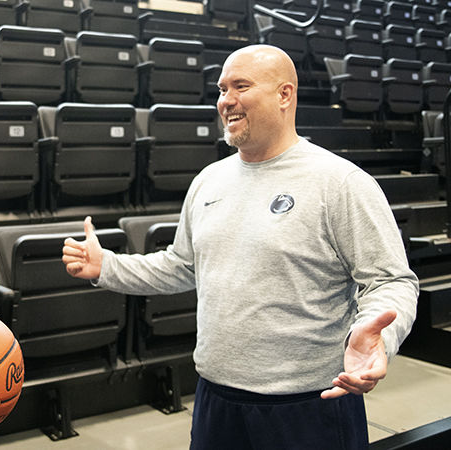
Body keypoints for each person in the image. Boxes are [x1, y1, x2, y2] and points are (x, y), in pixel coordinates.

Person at [62, 44, 418, 449]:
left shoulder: (340, 183)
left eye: (240, 87)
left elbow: (392, 281)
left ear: (285, 95)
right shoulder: (208, 181)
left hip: (309, 407)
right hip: (217, 399)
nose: (225, 101)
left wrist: (379, 340)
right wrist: (106, 267)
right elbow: (182, 266)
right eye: (221, 89)